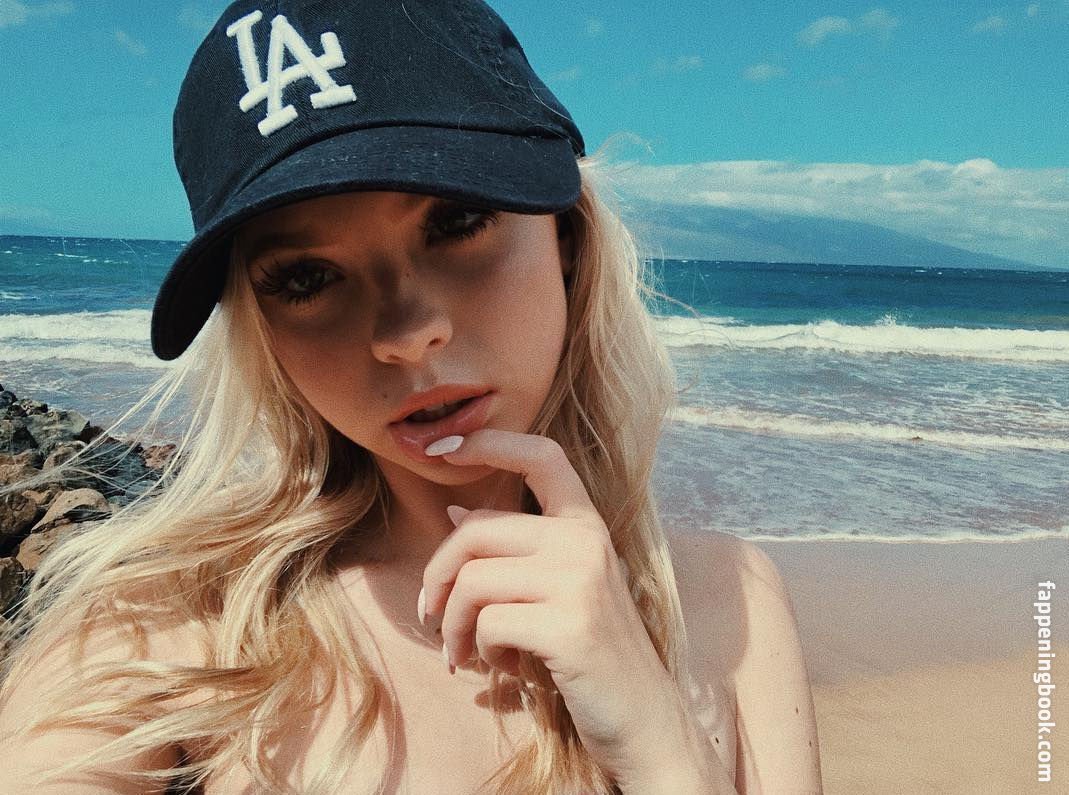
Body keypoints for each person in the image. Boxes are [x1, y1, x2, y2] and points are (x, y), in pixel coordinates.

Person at [0, 1, 822, 792]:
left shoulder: (727, 602)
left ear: (566, 234)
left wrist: (661, 745)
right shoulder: (168, 625)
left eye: (456, 221)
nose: (405, 332)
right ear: (263, 327)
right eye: (306, 277)